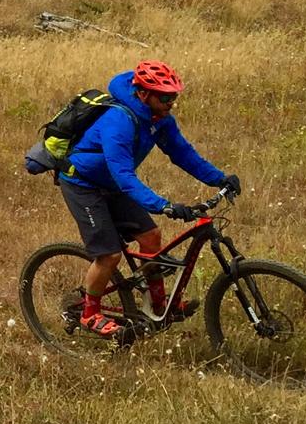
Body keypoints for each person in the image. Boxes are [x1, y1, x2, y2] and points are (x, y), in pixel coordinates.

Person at [57, 60, 240, 338]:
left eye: (174, 96)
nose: (171, 103)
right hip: (83, 185)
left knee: (151, 236)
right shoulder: (118, 120)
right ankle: (89, 313)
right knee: (109, 256)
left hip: (111, 183)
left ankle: (159, 305)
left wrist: (219, 178)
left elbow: (182, 153)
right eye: (165, 97)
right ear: (143, 94)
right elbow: (124, 176)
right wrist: (163, 205)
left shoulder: (160, 120)